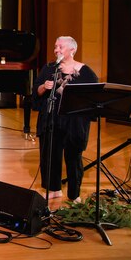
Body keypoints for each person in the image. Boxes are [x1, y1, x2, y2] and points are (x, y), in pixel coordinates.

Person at [32, 36, 98, 203]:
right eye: (55, 47)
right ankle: (53, 188)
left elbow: (92, 98)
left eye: (60, 47)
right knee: (50, 153)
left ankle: (74, 193)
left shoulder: (86, 73)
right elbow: (36, 91)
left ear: (72, 50)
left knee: (73, 157)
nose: (56, 50)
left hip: (74, 122)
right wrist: (43, 87)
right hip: (52, 118)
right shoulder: (49, 69)